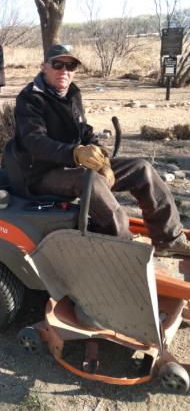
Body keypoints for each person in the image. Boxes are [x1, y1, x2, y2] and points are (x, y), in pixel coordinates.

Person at [13, 43, 190, 256]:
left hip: (73, 164)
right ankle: (124, 250)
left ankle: (167, 238)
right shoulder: (29, 99)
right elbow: (35, 141)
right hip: (41, 173)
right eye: (57, 64)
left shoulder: (72, 94)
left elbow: (84, 130)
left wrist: (101, 156)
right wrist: (76, 153)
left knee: (142, 169)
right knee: (92, 182)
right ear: (44, 67)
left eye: (71, 66)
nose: (64, 71)